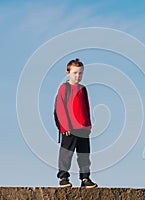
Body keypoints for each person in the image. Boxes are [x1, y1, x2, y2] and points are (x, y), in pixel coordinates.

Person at [55, 58, 97, 188]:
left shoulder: (83, 89)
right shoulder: (64, 88)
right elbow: (60, 109)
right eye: (75, 73)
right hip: (69, 129)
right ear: (68, 73)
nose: (78, 76)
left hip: (83, 129)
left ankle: (85, 178)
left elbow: (86, 108)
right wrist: (64, 127)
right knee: (66, 154)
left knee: (84, 155)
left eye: (80, 73)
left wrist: (88, 125)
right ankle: (63, 178)